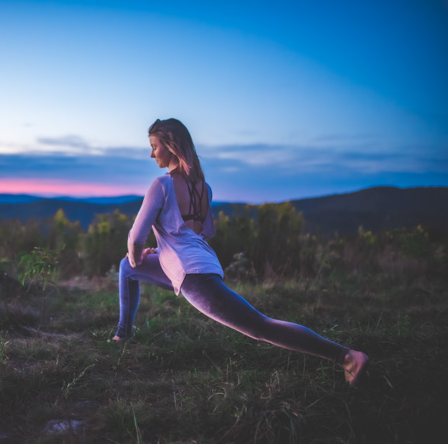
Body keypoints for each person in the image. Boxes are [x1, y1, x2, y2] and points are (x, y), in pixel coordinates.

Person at [110, 118, 369, 385]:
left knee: (259, 326)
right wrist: (156, 253)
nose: (151, 154)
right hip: (201, 264)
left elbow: (135, 238)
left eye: (154, 147)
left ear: (172, 146)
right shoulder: (204, 188)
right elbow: (194, 235)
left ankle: (346, 357)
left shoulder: (161, 185)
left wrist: (137, 255)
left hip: (193, 275)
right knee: (127, 268)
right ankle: (122, 335)